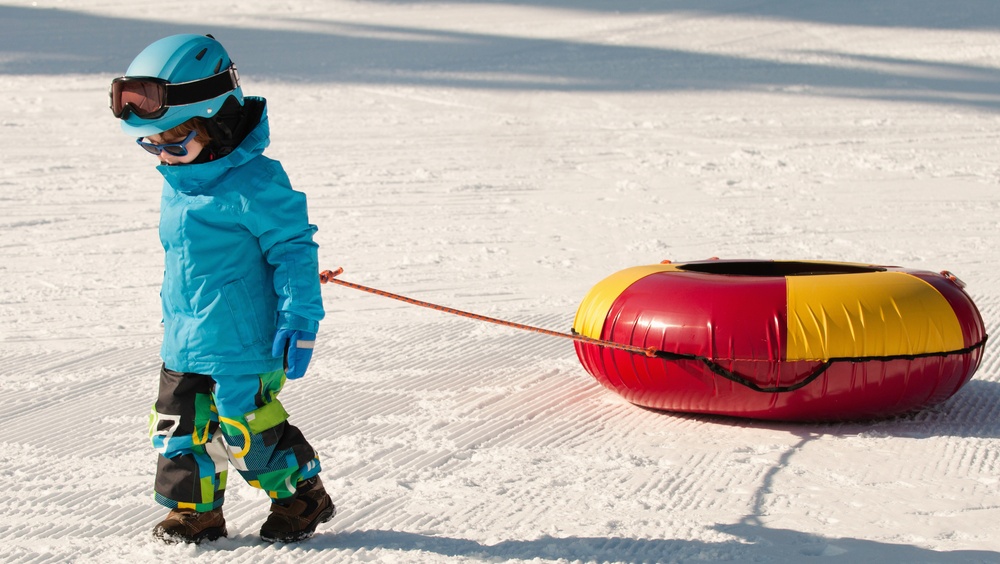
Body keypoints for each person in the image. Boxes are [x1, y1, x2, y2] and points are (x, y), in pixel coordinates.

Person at [110, 34, 334, 544]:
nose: (163, 155)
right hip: (184, 339)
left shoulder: (256, 183)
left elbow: (294, 250)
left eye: (174, 143)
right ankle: (195, 512)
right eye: (151, 144)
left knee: (245, 428)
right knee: (177, 429)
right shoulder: (179, 181)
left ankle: (301, 495)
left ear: (216, 123)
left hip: (244, 342)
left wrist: (301, 317)